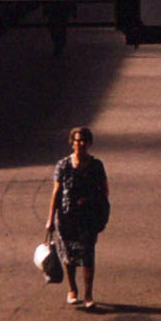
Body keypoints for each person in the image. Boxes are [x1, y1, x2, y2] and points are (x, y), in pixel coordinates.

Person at [45, 126, 109, 309]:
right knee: (68, 255)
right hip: (66, 218)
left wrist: (93, 204)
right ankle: (72, 289)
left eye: (83, 140)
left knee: (87, 255)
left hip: (88, 217)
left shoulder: (96, 165)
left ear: (89, 143)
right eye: (76, 140)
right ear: (71, 143)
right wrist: (50, 219)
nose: (79, 143)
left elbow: (104, 191)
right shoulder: (63, 165)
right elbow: (56, 192)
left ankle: (88, 294)